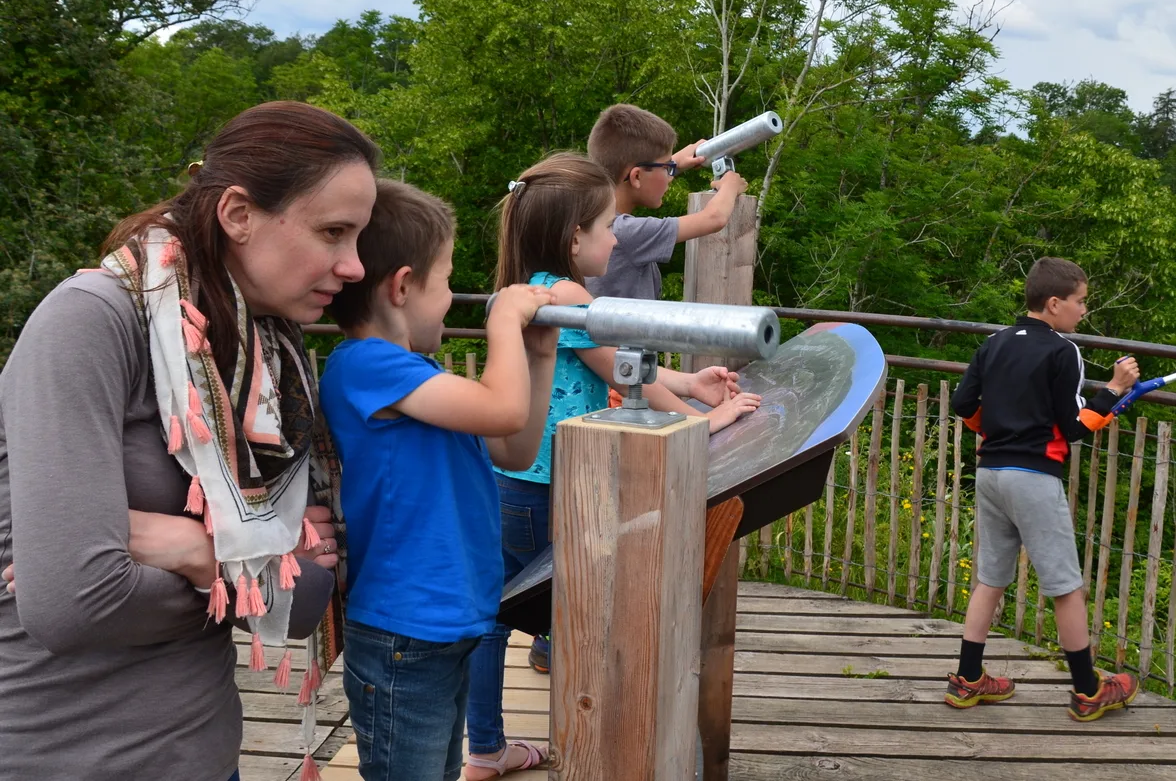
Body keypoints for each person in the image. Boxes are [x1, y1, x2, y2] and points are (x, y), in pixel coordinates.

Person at [0, 101, 379, 781]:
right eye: (333, 232)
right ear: (238, 214)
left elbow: (310, 599)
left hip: (204, 753)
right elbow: (72, 604)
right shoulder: (88, 324)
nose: (353, 266)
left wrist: (182, 547)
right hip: (66, 757)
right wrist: (235, 554)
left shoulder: (265, 353)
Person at [463, 152, 760, 777]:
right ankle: (593, 744)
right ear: (576, 237)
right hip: (556, 483)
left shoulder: (520, 291)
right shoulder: (570, 294)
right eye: (606, 228)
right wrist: (705, 420)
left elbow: (623, 362)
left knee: (494, 616)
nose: (614, 237)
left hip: (507, 479)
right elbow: (625, 377)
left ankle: (484, 747)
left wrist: (691, 381)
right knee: (583, 613)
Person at [321, 180, 559, 780]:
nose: (454, 297)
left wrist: (539, 354)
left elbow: (515, 446)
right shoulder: (363, 366)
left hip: (442, 624)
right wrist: (504, 318)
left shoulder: (416, 374)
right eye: (448, 279)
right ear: (402, 285)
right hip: (404, 630)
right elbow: (502, 412)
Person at [945, 256, 1142, 722]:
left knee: (990, 578)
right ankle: (1088, 690)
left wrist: (993, 430)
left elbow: (961, 403)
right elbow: (1074, 427)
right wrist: (1114, 390)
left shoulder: (993, 343)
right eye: (1080, 302)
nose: (1083, 311)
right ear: (1054, 304)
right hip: (1033, 477)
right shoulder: (1062, 351)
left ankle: (967, 680)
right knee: (1065, 586)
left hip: (991, 472)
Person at [583, 103, 749, 301]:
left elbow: (641, 174)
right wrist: (730, 185)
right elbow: (714, 218)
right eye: (667, 168)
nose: (670, 176)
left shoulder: (587, 214)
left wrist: (675, 162)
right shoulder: (625, 233)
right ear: (636, 177)